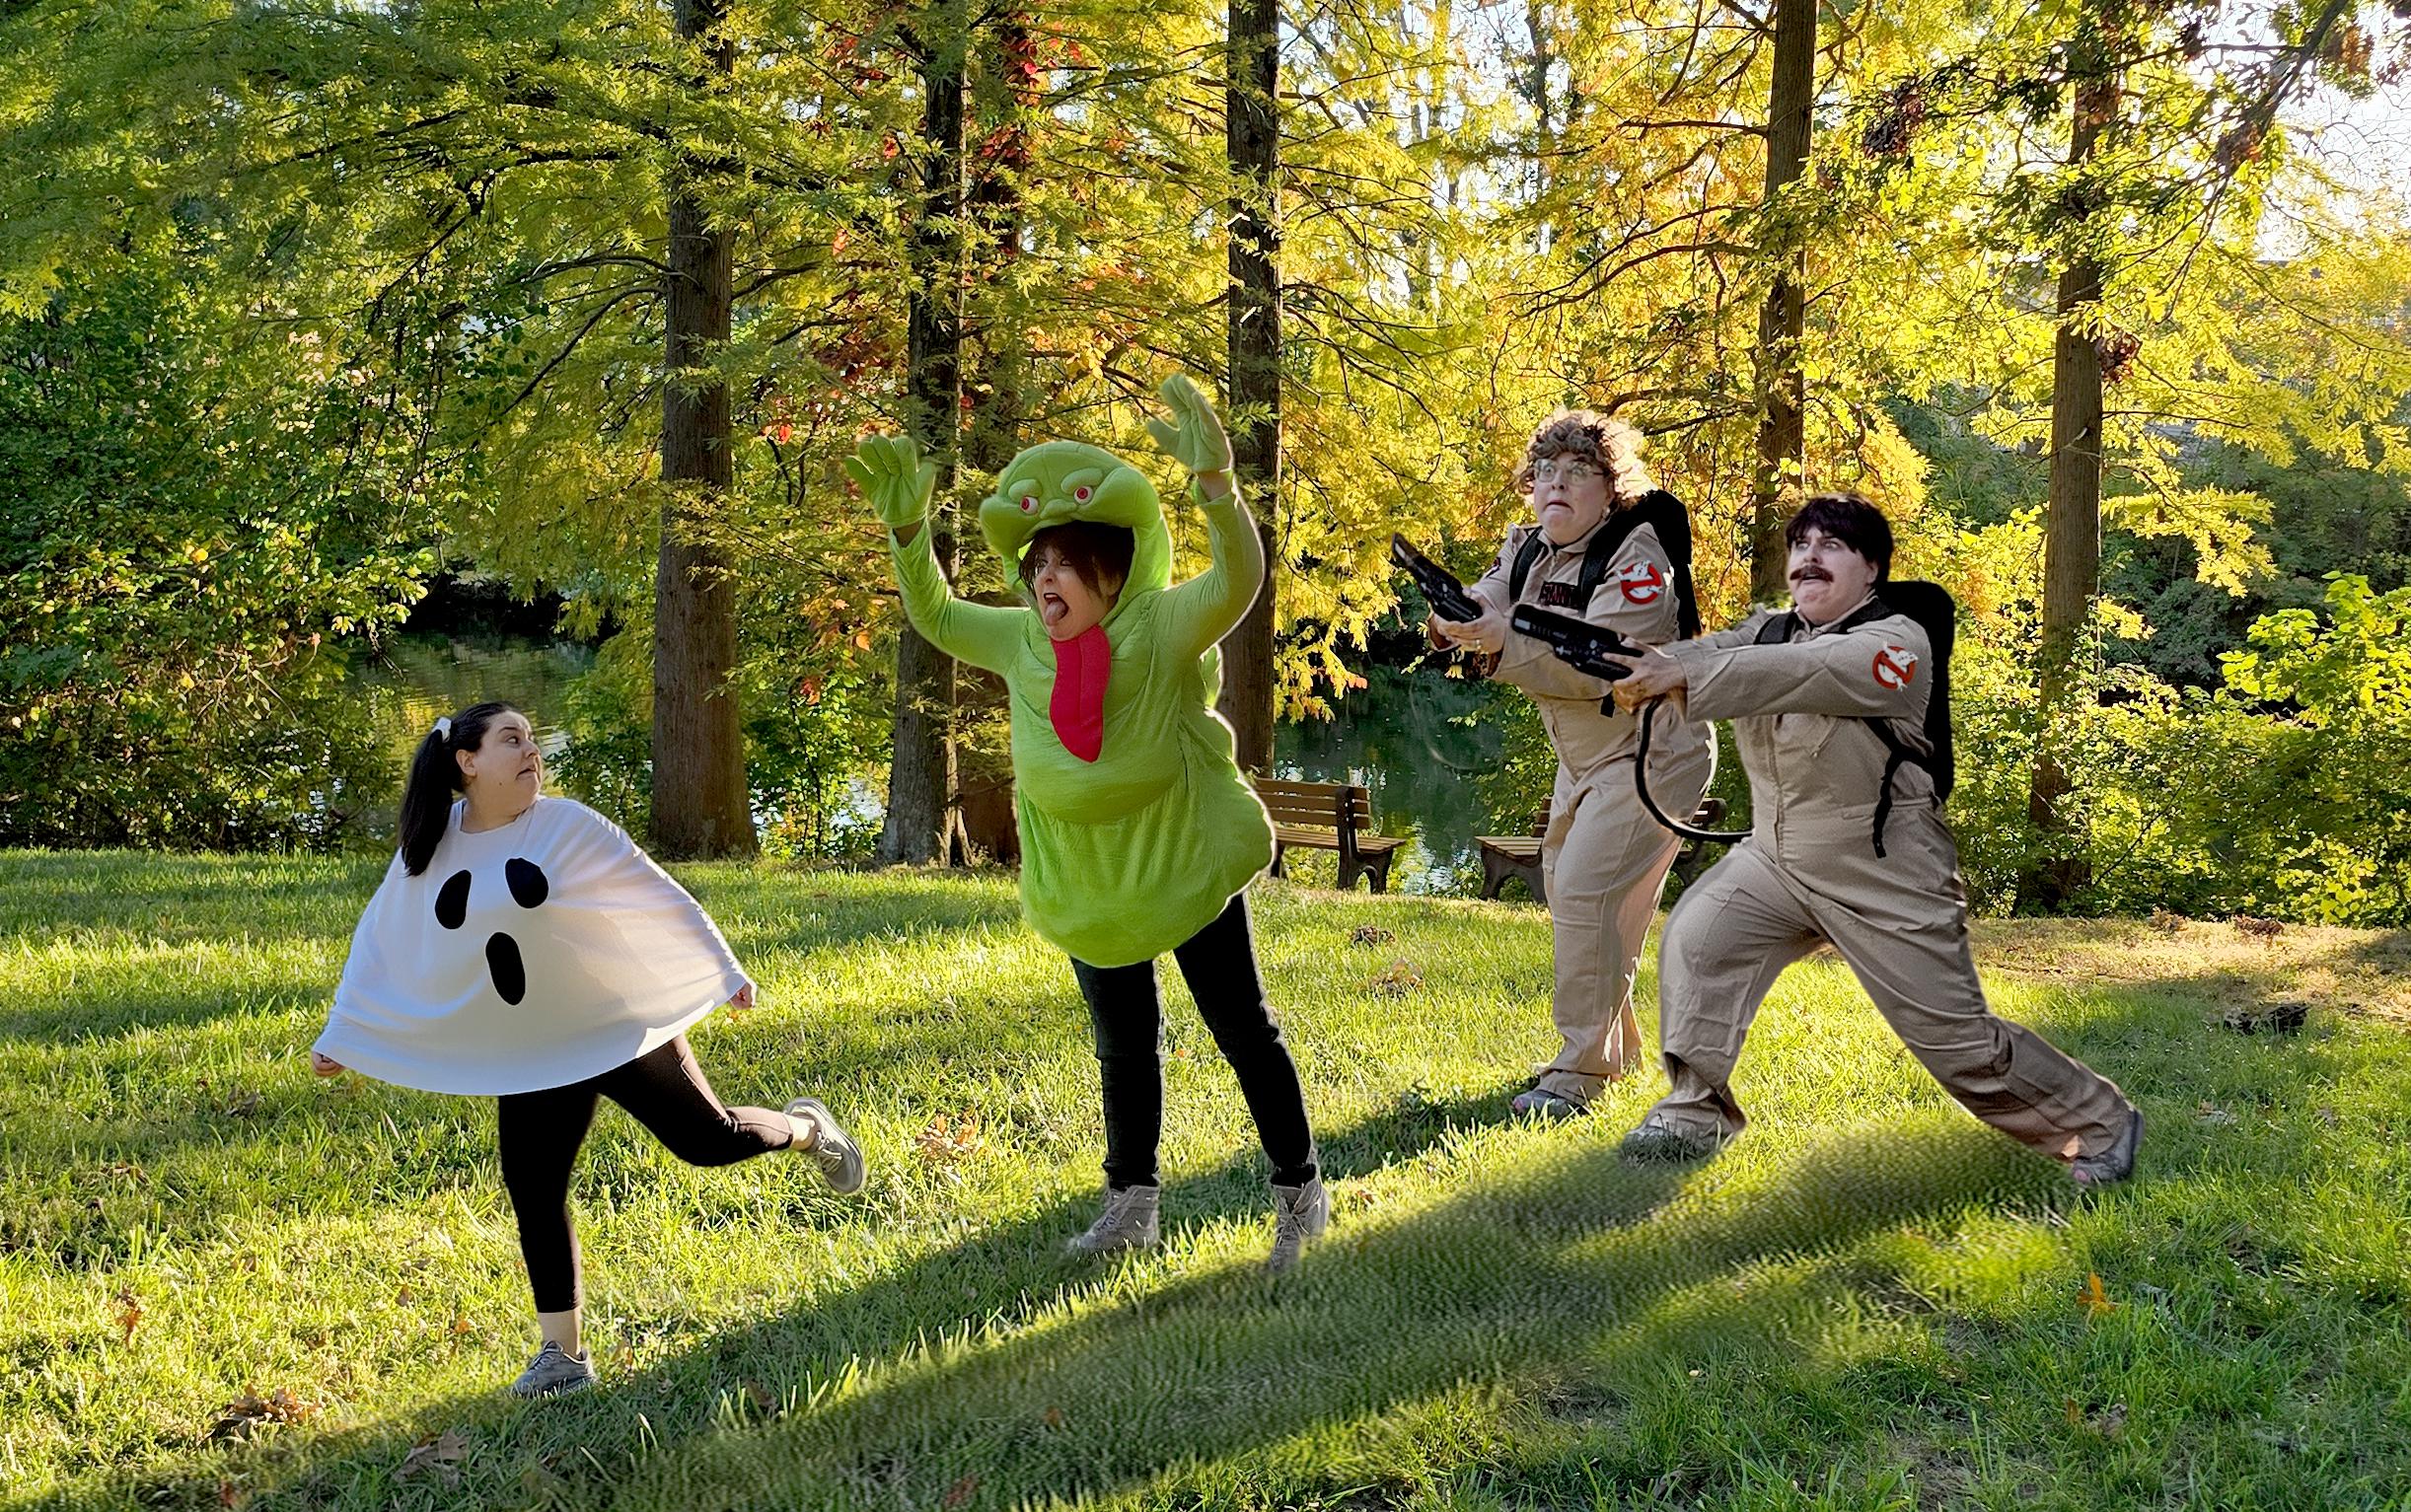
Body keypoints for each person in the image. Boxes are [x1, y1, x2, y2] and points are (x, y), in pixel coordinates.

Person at [849, 376, 1327, 1273]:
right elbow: (936, 615)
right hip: (1088, 879)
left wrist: (1217, 487)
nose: (1045, 579)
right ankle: (1131, 1205)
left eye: (1064, 564)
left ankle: (1300, 1193)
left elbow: (1239, 580)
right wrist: (909, 534)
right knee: (1123, 1043)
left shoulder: (1162, 623)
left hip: (1178, 861)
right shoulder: (1018, 640)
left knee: (1241, 1028)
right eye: (1036, 566)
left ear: (1112, 567)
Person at [312, 701, 867, 1398]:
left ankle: (809, 1130)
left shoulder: (567, 824)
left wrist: (723, 968)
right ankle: (563, 1357)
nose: (531, 750)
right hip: (534, 1047)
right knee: (534, 1189)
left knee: (709, 1140)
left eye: (531, 738)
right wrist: (344, 1031)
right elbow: (381, 939)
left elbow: (654, 892)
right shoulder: (430, 843)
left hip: (615, 1024)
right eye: (512, 739)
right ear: (467, 761)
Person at [1603, 493, 2143, 1184]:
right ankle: (1693, 1113)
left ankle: (2102, 1124)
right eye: (1801, 546)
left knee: (1956, 1045)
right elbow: (1703, 652)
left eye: (1832, 546)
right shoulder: (1772, 631)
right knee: (1701, 939)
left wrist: (1683, 673)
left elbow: (1807, 673)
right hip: (1777, 856)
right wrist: (1615, 657)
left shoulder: (1896, 644)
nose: (1810, 558)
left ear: (1872, 570)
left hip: (1883, 868)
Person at [1429, 411, 1714, 1119]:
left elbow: (1600, 661)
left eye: (1579, 472)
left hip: (1651, 751)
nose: (1557, 484)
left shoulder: (1638, 557)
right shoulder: (1528, 546)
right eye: (1546, 473)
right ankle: (1613, 1052)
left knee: (1588, 894)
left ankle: (1577, 1075)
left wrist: (1500, 639)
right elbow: (1490, 598)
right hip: (1582, 756)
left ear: (1612, 489)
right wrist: (1456, 617)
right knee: (1579, 899)